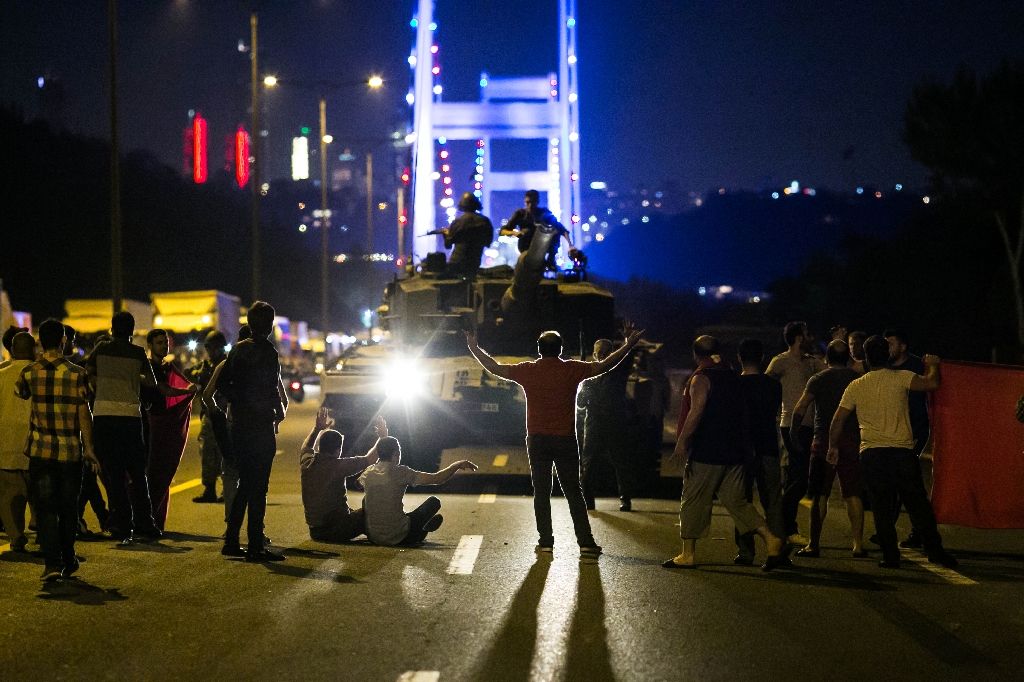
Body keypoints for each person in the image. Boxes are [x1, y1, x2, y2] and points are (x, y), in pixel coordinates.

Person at [465, 324, 643, 555]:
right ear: (560, 349)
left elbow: (495, 367)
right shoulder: (571, 370)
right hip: (565, 440)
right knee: (573, 491)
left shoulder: (528, 370)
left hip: (537, 440)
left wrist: (474, 348)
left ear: (539, 349)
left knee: (541, 492)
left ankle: (546, 542)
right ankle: (586, 542)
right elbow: (604, 366)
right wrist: (628, 345)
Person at [829, 336, 957, 569]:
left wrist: (832, 446)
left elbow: (838, 420)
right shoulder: (902, 378)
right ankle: (935, 551)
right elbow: (932, 383)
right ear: (886, 355)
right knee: (918, 505)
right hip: (901, 452)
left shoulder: (856, 386)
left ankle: (890, 555)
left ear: (866, 358)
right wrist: (933, 364)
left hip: (872, 453)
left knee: (881, 506)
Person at [665, 335, 785, 570]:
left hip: (708, 450)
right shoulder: (732, 376)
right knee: (737, 502)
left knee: (693, 498)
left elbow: (696, 412)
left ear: (695, 354)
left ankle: (687, 554)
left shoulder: (701, 378)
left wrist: (682, 443)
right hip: (736, 452)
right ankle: (772, 540)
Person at [88, 311, 191, 543]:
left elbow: (89, 372)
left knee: (114, 474)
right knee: (137, 471)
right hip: (130, 417)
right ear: (132, 331)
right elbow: (151, 382)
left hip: (104, 417)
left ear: (112, 329)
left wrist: (102, 383)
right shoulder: (136, 353)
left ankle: (121, 524)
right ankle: (145, 522)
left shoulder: (100, 350)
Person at [15, 319, 101, 581]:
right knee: (68, 508)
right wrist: (89, 448)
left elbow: (21, 393)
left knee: (45, 509)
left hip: (40, 452)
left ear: (40, 341)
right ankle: (68, 557)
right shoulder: (77, 373)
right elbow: (83, 412)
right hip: (69, 452)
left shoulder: (29, 372)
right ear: (63, 340)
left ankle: (52, 564)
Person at [218, 302, 288, 562]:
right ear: (269, 325)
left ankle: (232, 540)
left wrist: (240, 401)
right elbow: (271, 388)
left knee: (246, 484)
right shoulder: (268, 352)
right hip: (259, 426)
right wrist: (276, 410)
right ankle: (255, 545)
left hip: (240, 426)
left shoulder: (236, 350)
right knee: (258, 487)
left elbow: (223, 384)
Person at [790, 340, 865, 558]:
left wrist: (794, 434)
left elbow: (801, 407)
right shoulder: (857, 379)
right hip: (852, 440)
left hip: (823, 440)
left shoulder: (818, 379)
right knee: (852, 493)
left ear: (827, 358)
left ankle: (814, 544)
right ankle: (858, 545)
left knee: (820, 494)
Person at [359, 437, 477, 546]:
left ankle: (419, 528)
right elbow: (437, 479)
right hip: (399, 537)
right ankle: (422, 531)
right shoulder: (401, 472)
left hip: (373, 537)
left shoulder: (368, 472)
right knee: (433, 502)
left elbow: (357, 484)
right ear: (396, 454)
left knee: (367, 498)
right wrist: (456, 465)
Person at [766, 321, 824, 545]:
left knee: (794, 476)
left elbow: (834, 372)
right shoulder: (780, 361)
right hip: (791, 424)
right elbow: (766, 385)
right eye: (807, 334)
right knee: (800, 478)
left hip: (809, 425)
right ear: (799, 338)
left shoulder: (812, 362)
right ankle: (779, 518)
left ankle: (787, 529)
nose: (811, 338)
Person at [733, 338, 785, 566]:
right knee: (772, 500)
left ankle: (746, 551)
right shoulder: (774, 386)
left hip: (742, 450)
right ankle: (778, 550)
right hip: (768, 447)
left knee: (742, 501)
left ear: (739, 358)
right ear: (762, 358)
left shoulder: (735, 385)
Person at [300, 409, 387, 543]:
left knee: (353, 512)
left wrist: (317, 429)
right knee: (371, 510)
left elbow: (306, 447)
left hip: (315, 531)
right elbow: (370, 459)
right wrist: (383, 437)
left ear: (320, 447)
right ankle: (399, 532)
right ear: (337, 450)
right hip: (335, 529)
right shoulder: (338, 466)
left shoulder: (307, 463)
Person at [142, 329, 197, 531]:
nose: (164, 346)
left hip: (164, 423)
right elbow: (164, 389)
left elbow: (180, 381)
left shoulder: (167, 367)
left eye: (165, 342)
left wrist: (188, 389)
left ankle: (155, 519)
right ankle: (147, 518)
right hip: (152, 424)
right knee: (154, 472)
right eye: (158, 343)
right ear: (150, 345)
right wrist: (187, 391)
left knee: (165, 471)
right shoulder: (148, 368)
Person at [576, 338, 637, 511]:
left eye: (605, 353)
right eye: (598, 353)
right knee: (588, 463)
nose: (601, 356)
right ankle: (588, 501)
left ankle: (625, 499)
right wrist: (583, 389)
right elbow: (580, 404)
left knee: (620, 462)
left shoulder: (618, 370)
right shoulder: (588, 375)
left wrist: (628, 342)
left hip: (615, 422)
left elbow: (626, 357)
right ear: (593, 354)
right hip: (594, 425)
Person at [884, 328, 930, 549]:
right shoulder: (884, 366)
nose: (888, 348)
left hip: (914, 431)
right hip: (891, 430)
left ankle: (919, 532)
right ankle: (888, 529)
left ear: (903, 346)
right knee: (895, 482)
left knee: (908, 483)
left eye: (891, 343)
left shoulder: (916, 365)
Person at [66, 325, 109, 538]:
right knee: (88, 478)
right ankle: (100, 519)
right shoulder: (80, 371)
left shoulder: (108, 374)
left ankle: (90, 519)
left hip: (97, 430)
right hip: (82, 431)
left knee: (90, 478)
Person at [0, 332, 37, 552]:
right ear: (34, 350)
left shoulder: (1, 375)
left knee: (7, 497)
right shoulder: (39, 374)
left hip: (5, 442)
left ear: (12, 350)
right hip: (34, 442)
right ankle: (40, 527)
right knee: (35, 492)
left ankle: (15, 535)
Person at [188, 330, 229, 503]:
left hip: (225, 414)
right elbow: (188, 374)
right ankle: (209, 489)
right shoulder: (204, 366)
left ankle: (227, 489)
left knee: (225, 453)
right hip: (209, 416)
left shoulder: (227, 365)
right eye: (209, 347)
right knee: (207, 452)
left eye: (214, 347)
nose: (212, 351)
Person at [500, 189, 574, 270]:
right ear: (525, 202)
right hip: (526, 245)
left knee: (555, 232)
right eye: (528, 202)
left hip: (542, 245)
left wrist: (570, 246)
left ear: (537, 202)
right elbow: (503, 231)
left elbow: (561, 229)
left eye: (533, 202)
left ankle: (550, 261)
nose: (530, 205)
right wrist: (515, 233)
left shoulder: (544, 213)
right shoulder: (520, 213)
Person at [441, 192, 494, 280]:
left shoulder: (457, 222)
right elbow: (488, 242)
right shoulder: (485, 221)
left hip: (455, 264)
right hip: (474, 264)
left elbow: (448, 245)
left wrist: (445, 235)